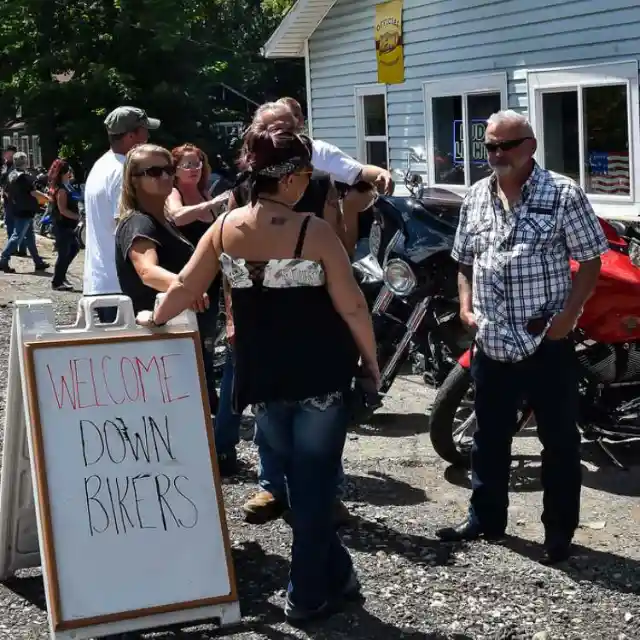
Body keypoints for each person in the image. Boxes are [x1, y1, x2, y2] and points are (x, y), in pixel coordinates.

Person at [137, 121, 380, 624]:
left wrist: (153, 317)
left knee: (295, 481)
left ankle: (339, 574)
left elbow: (184, 287)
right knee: (313, 487)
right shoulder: (313, 231)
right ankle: (307, 594)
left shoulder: (225, 228)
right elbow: (353, 306)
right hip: (319, 374)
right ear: (289, 178)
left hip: (263, 376)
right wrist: (372, 365)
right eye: (305, 173)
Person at [436, 110, 608, 565]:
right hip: (492, 340)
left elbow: (592, 260)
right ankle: (485, 519)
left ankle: (558, 534)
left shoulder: (562, 193)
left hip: (545, 341)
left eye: (504, 146)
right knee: (489, 437)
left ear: (530, 146)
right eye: (489, 147)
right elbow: (464, 260)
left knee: (559, 442)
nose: (495, 156)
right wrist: (465, 306)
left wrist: (569, 317)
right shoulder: (476, 196)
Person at [114, 144, 211, 384]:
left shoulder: (163, 220)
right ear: (134, 180)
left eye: (169, 169)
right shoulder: (139, 222)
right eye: (155, 172)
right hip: (157, 339)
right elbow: (147, 271)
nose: (166, 176)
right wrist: (187, 288)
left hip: (176, 333)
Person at [83, 106, 160, 323]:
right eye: (145, 131)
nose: (148, 137)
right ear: (131, 136)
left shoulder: (102, 164)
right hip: (120, 286)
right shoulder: (122, 171)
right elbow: (126, 227)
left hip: (102, 281)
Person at [275, 97, 394, 194]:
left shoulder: (319, 151)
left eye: (296, 116)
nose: (290, 122)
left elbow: (358, 171)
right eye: (282, 118)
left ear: (301, 121)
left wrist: (381, 173)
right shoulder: (263, 154)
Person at [0, 152, 49, 273]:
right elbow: (34, 193)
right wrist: (48, 198)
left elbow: (5, 192)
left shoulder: (11, 175)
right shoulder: (25, 177)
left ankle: (38, 262)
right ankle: (3, 259)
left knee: (30, 237)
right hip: (25, 210)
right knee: (17, 236)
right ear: (25, 162)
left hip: (15, 208)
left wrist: (14, 200)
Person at [47, 159, 81, 290]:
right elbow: (63, 210)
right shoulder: (61, 190)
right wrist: (79, 217)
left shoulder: (67, 186)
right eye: (69, 171)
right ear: (63, 173)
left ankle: (61, 276)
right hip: (62, 225)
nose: (70, 173)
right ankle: (57, 282)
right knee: (64, 253)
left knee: (74, 248)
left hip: (68, 226)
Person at [1, 145, 27, 256]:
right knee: (16, 225)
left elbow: (8, 184)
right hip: (10, 200)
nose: (6, 155)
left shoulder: (13, 168)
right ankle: (19, 248)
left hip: (13, 200)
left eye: (9, 154)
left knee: (14, 225)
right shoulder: (6, 166)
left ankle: (14, 248)